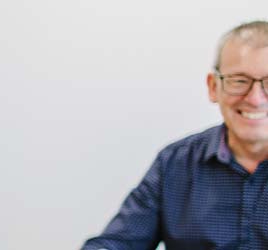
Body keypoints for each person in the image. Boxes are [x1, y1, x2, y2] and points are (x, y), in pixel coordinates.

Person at [83, 21, 268, 250]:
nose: (255, 98)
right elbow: (117, 243)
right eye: (239, 81)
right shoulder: (174, 163)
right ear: (213, 87)